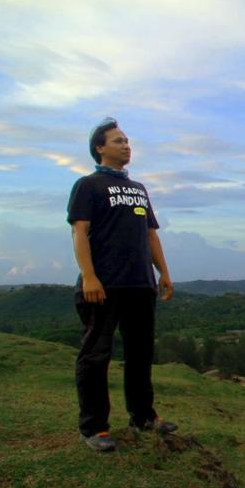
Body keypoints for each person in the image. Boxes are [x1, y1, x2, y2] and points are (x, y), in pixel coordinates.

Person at [67, 117, 177, 452]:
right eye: (118, 141)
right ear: (99, 148)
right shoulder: (88, 185)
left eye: (127, 140)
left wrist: (164, 273)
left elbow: (150, 235)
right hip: (103, 284)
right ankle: (95, 427)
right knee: (95, 355)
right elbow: (79, 231)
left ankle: (143, 415)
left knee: (140, 354)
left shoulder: (139, 189)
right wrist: (88, 275)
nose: (126, 145)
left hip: (140, 284)